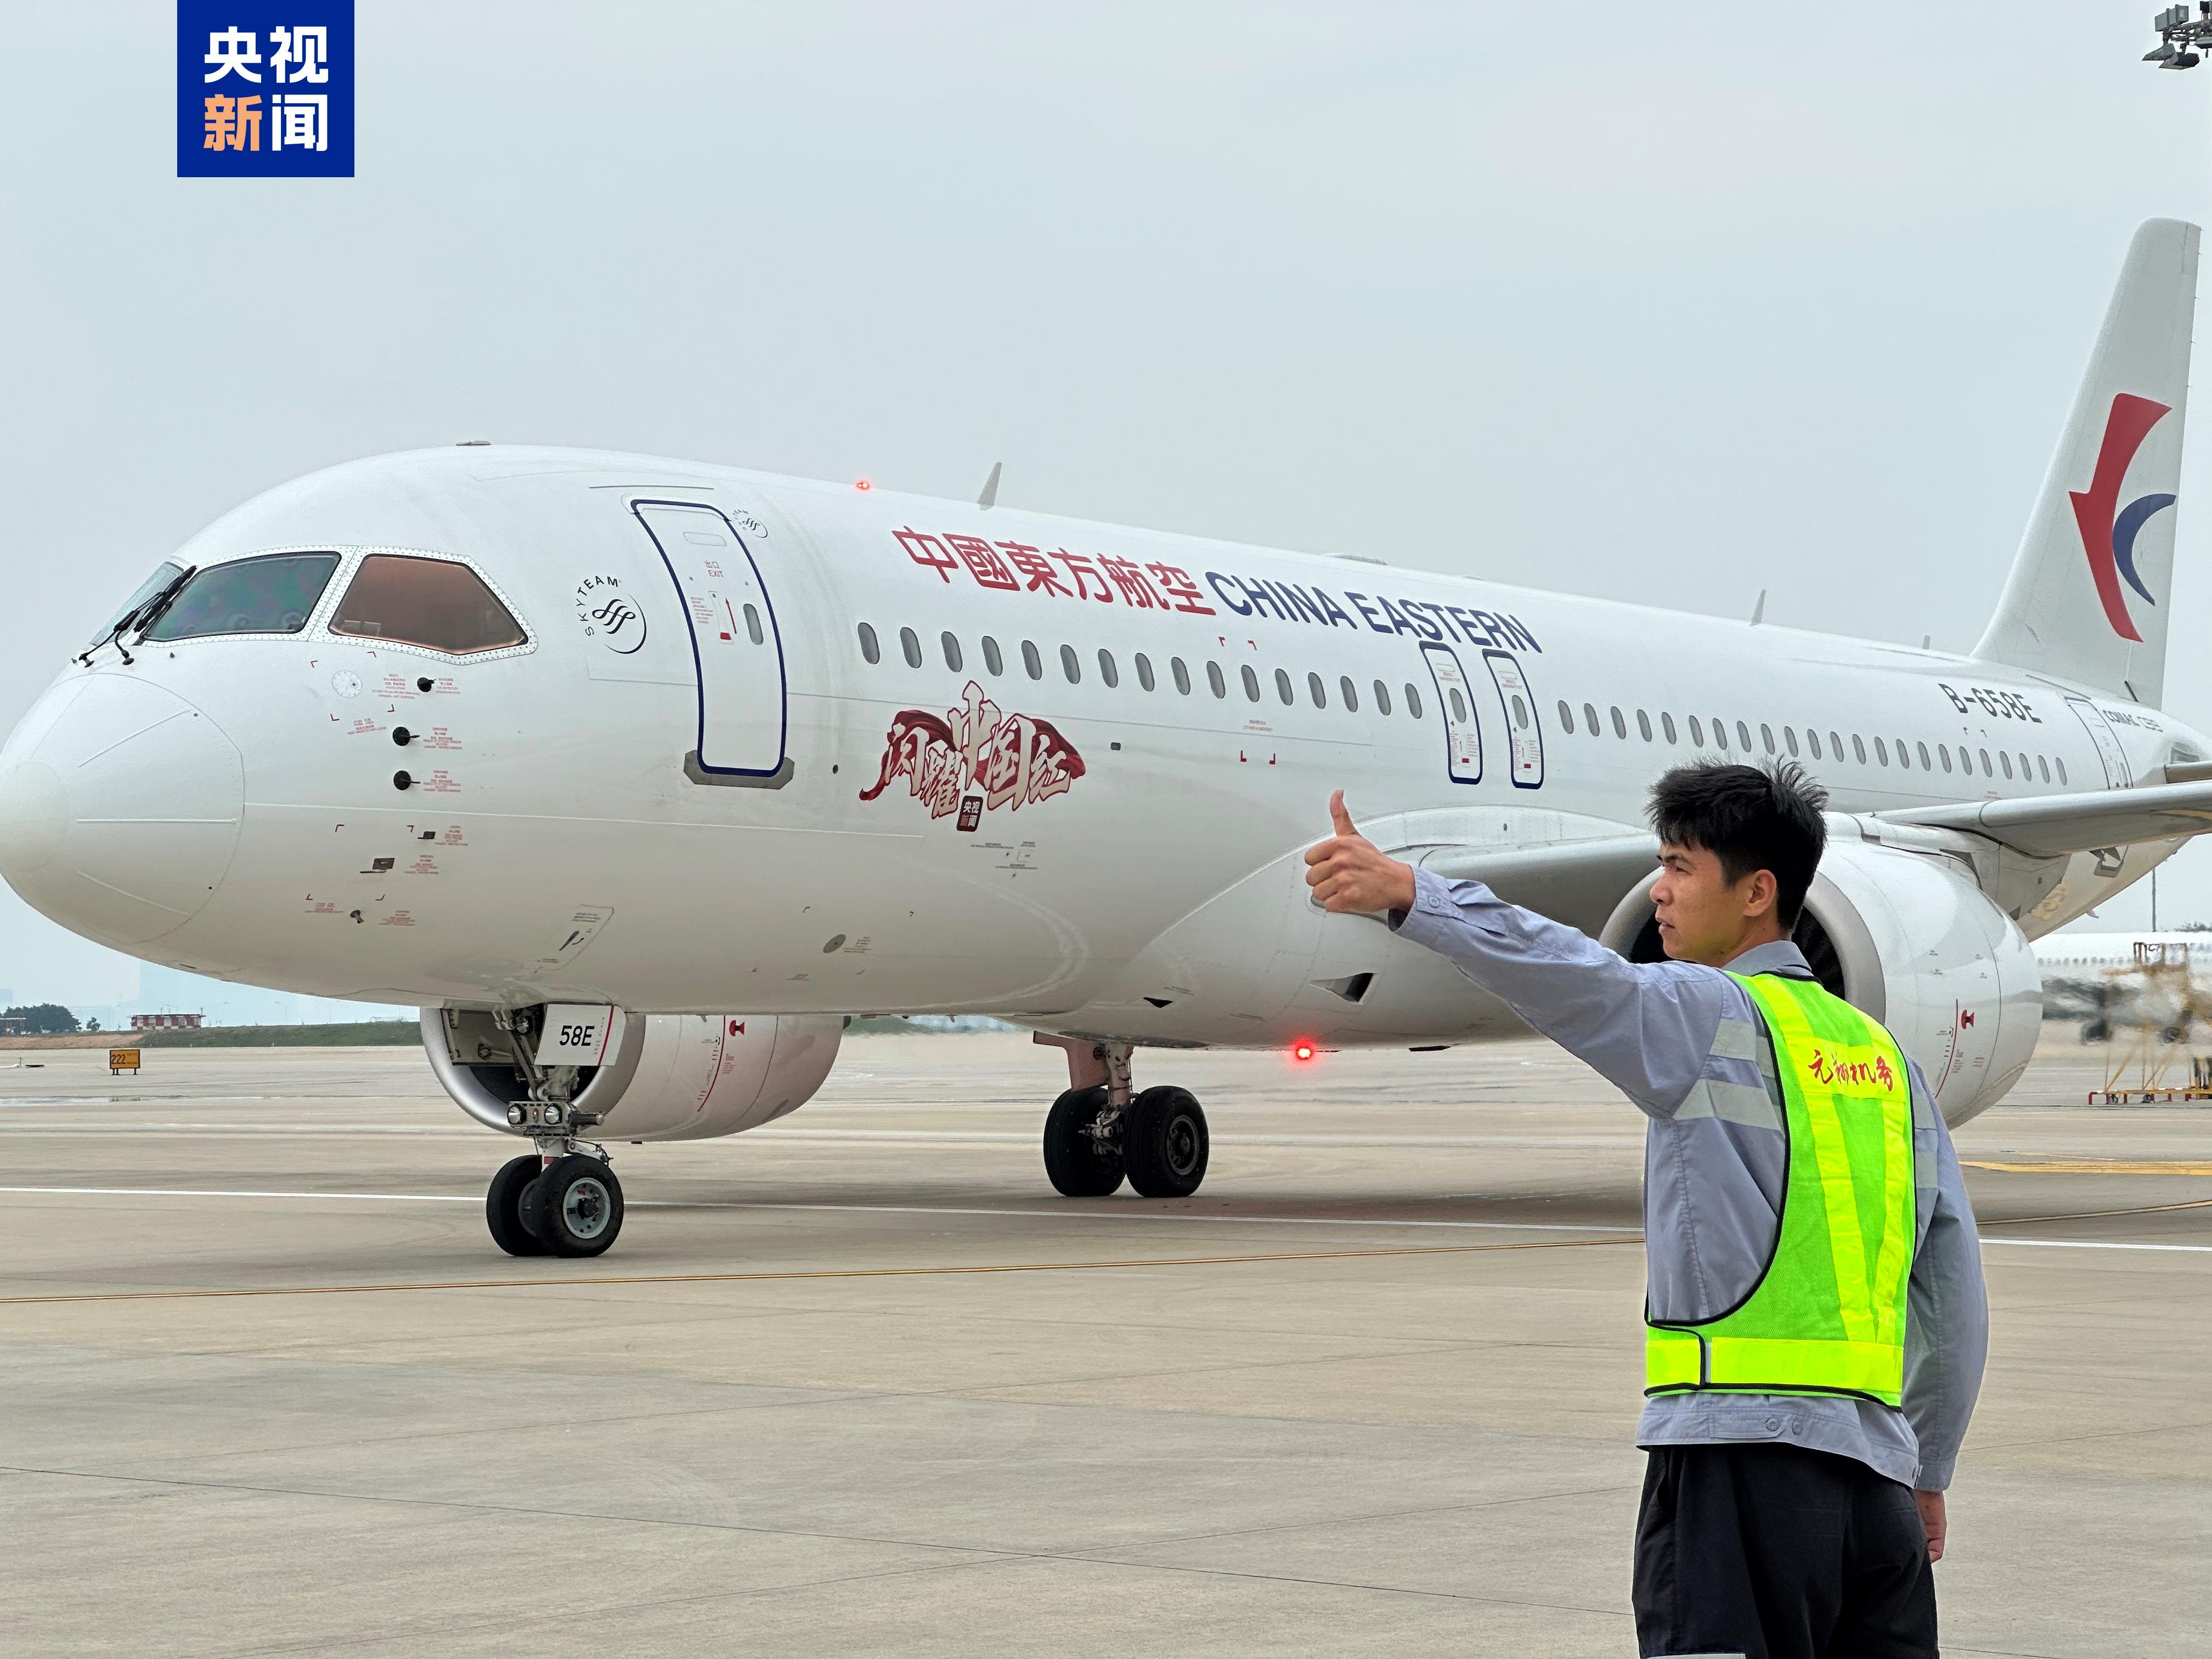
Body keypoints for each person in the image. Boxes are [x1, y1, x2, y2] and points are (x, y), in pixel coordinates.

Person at [1304, 761, 1987, 1659]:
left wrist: (1411, 894)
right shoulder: (1887, 1060)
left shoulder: (1704, 1015)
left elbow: (1562, 969)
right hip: (1878, 1486)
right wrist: (1927, 1467)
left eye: (1679, 867)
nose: (1657, 890)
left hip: (1737, 1469)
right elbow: (1952, 1291)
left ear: (1757, 893)